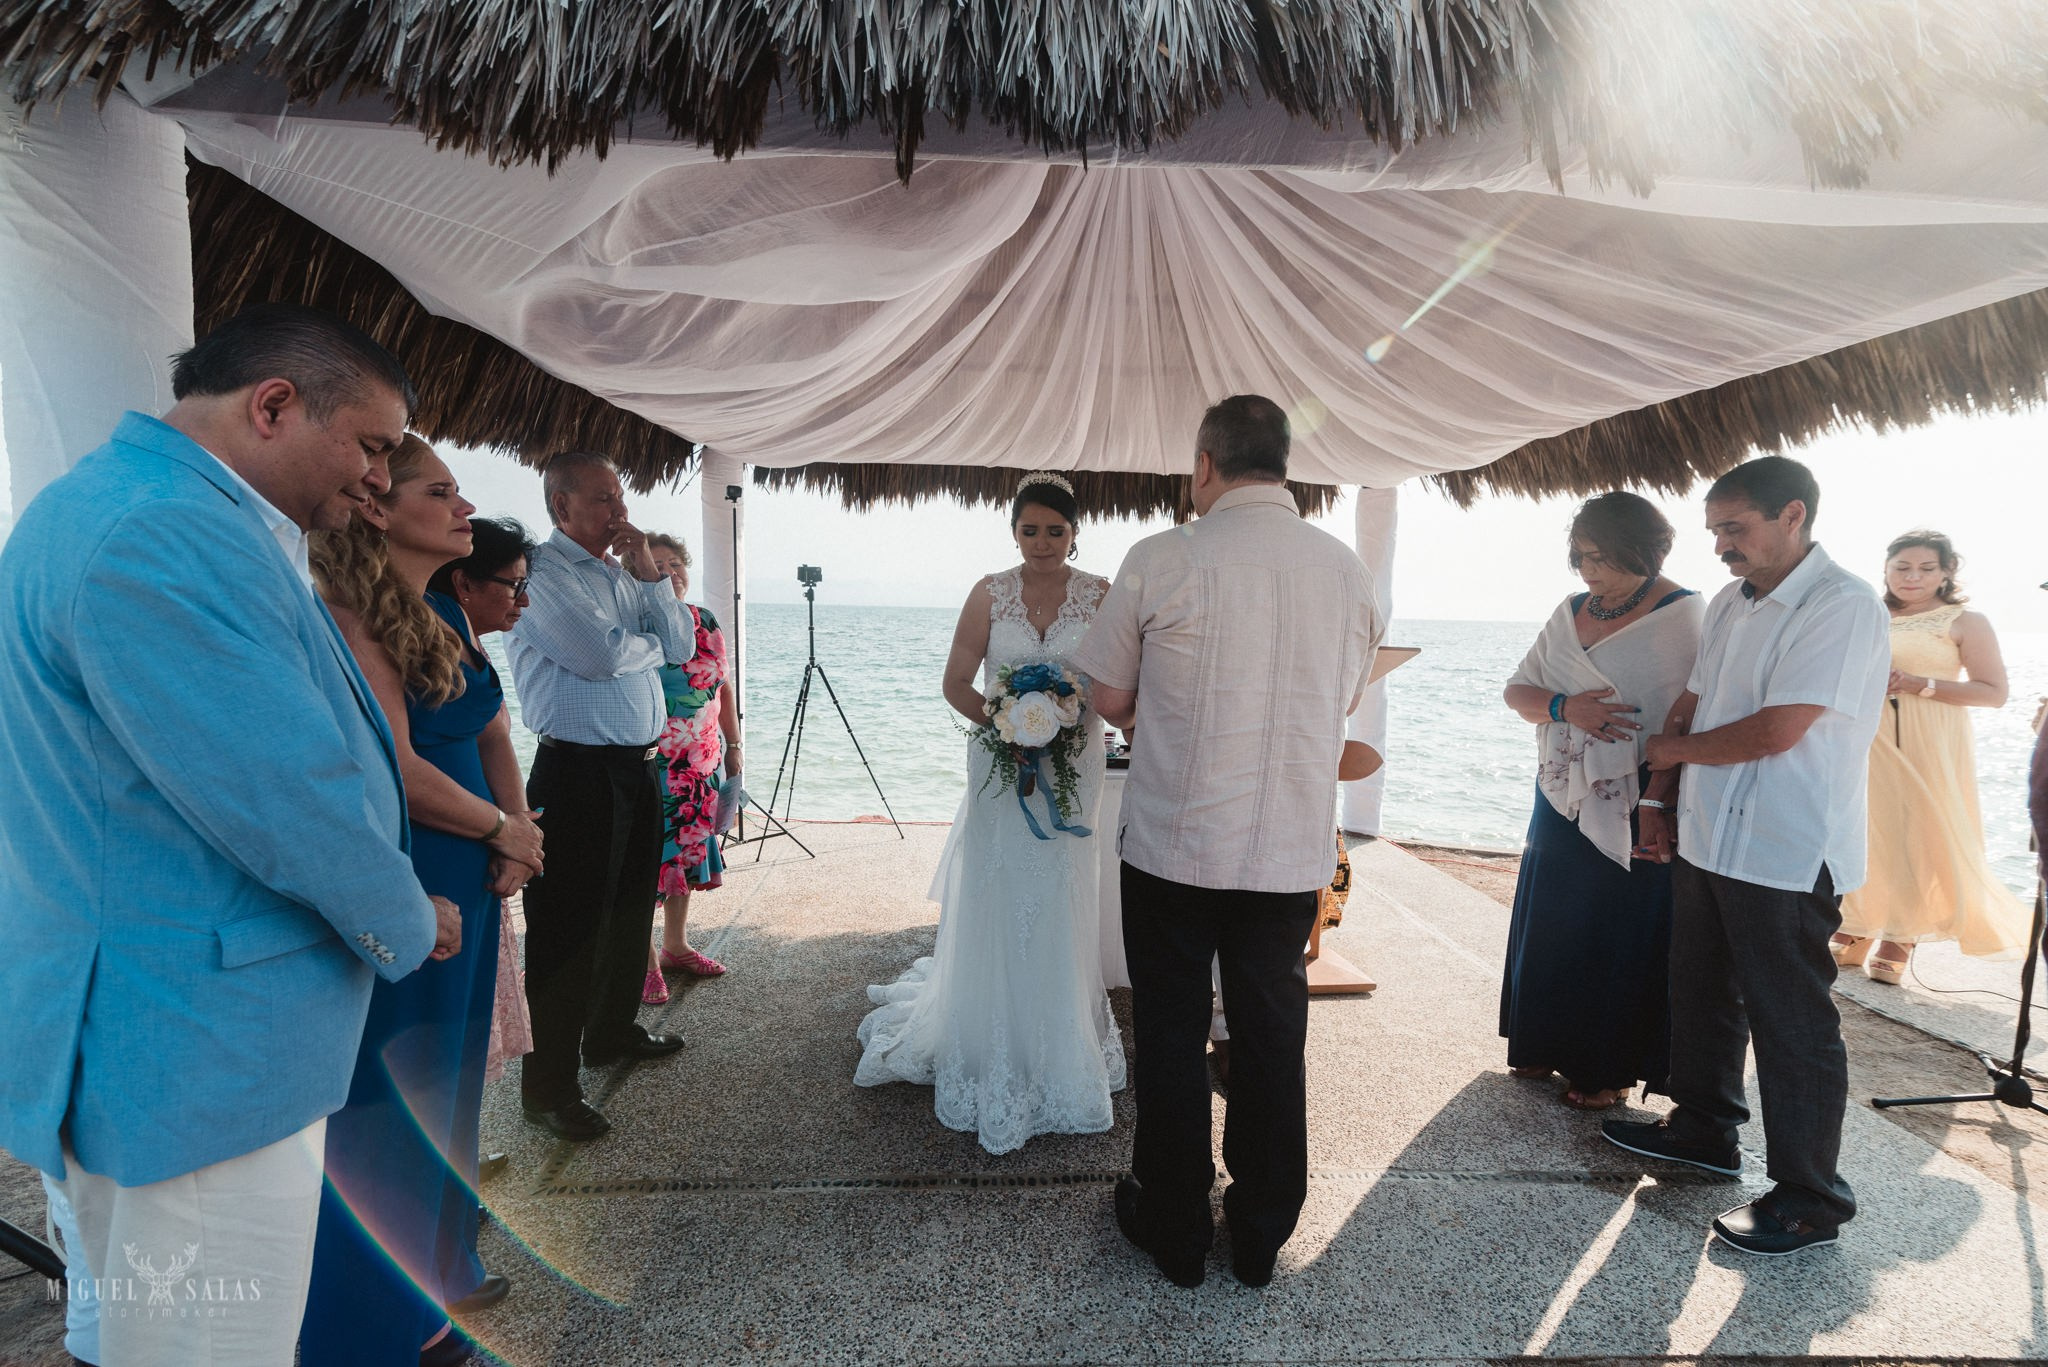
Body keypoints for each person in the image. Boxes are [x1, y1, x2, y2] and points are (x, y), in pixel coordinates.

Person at [0, 303, 453, 1366]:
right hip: (195, 1049)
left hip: (154, 1033)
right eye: (371, 444)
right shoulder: (164, 529)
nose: (379, 477)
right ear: (274, 405)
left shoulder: (115, 502)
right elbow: (285, 793)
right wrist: (405, 915)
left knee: (144, 1337)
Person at [1071, 395, 1382, 1289]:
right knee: (1273, 1034)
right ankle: (1260, 1231)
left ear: (1204, 464)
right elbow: (1344, 698)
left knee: (1171, 1033)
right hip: (1287, 848)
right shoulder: (1347, 570)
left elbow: (1108, 695)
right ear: (1283, 463)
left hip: (1175, 841)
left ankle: (1175, 1227)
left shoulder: (1163, 556)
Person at [1604, 455, 1890, 1258]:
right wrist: (1658, 798)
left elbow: (1776, 730)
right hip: (1708, 833)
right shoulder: (1731, 600)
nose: (1721, 544)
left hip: (1786, 847)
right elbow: (1694, 701)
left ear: (1793, 514)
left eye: (1735, 527)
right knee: (1699, 989)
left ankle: (1811, 1199)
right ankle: (1703, 1129)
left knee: (1792, 1021)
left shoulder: (1843, 605)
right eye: (1715, 530)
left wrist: (1667, 749)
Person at [300, 440, 544, 1365]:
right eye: (440, 491)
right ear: (379, 508)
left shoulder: (437, 609)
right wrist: (501, 828)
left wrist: (518, 830)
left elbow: (490, 727)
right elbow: (393, 768)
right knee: (392, 1101)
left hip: (473, 869)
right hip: (421, 873)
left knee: (450, 1088)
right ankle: (379, 1324)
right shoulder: (355, 615)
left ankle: (439, 1280)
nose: (465, 507)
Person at [855, 472, 1125, 1153]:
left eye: (1055, 531)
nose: (1042, 543)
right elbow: (955, 681)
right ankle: (987, 1036)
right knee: (999, 885)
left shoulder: (1100, 595)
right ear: (1014, 531)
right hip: (1000, 765)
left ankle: (1059, 1038)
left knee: (1061, 888)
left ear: (1074, 533)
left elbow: (1116, 683)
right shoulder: (989, 593)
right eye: (1030, 530)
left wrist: (1062, 726)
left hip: (1074, 764)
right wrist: (1009, 725)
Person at [505, 451, 690, 1142]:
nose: (621, 511)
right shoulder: (543, 572)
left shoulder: (621, 574)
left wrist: (652, 581)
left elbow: (678, 645)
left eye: (621, 496)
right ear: (562, 507)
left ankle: (611, 1033)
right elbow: (599, 656)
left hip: (638, 768)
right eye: (605, 499)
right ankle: (548, 1088)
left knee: (629, 909)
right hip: (576, 771)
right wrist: (640, 639)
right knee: (568, 932)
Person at [1499, 493, 1702, 1109]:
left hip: (1638, 792)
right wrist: (1566, 707)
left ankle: (1603, 1068)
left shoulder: (1686, 616)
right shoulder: (1571, 610)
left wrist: (1660, 803)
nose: (1590, 571)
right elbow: (1518, 691)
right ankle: (1538, 1039)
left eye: (1604, 558)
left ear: (1646, 551)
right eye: (1583, 557)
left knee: (1617, 928)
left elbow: (1689, 719)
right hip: (1560, 789)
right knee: (1553, 916)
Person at [1833, 531, 2025, 981]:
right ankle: (1857, 924)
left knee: (1916, 831)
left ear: (1946, 572)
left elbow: (1994, 693)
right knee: (1862, 825)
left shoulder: (1965, 621)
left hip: (1929, 738)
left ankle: (1902, 934)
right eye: (1902, 567)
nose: (1912, 577)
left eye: (1926, 568)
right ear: (1886, 569)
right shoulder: (1867, 613)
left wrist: (1918, 684)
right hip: (1865, 735)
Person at [431, 516, 542, 1086]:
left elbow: (495, 739)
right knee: (437, 1013)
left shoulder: (467, 640)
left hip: (484, 837)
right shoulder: (421, 632)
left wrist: (517, 833)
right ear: (463, 583)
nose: (524, 601)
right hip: (444, 838)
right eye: (513, 585)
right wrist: (506, 830)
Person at [642, 531, 741, 1004]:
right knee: (648, 861)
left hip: (702, 761)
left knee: (685, 853)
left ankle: (676, 946)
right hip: (655, 762)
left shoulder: (706, 620)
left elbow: (722, 686)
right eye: (656, 566)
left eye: (675, 564)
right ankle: (643, 962)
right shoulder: (637, 624)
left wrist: (734, 744)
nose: (668, 573)